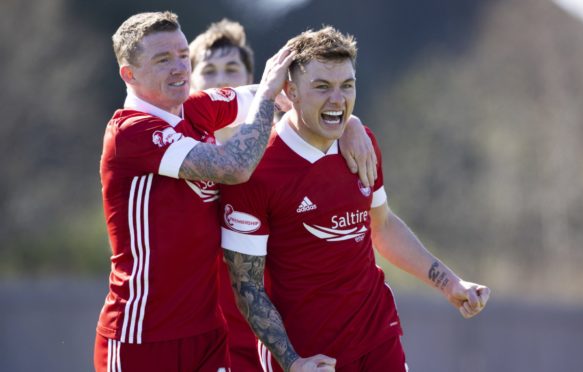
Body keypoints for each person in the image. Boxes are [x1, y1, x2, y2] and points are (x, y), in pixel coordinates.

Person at [94, 12, 375, 372]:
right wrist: (271, 93)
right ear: (128, 74)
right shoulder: (129, 133)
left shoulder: (195, 111)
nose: (180, 68)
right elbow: (234, 167)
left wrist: (350, 122)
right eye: (163, 60)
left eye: (183, 55)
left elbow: (288, 97)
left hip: (208, 336)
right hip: (142, 337)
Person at [219, 26, 491, 372]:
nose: (338, 99)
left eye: (347, 86)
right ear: (291, 92)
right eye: (322, 87)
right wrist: (292, 360)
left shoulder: (361, 146)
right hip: (309, 355)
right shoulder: (257, 172)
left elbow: (384, 226)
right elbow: (247, 287)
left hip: (378, 337)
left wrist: (451, 283)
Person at [188, 18, 265, 372]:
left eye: (231, 69)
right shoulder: (176, 151)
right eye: (209, 70)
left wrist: (353, 126)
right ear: (190, 82)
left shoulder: (281, 147)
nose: (220, 81)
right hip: (201, 338)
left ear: (252, 81)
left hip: (269, 337)